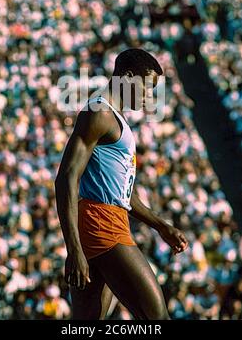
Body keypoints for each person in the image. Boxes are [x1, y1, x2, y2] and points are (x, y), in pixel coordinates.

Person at [55, 48, 189, 320]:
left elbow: (124, 194)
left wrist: (160, 225)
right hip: (102, 224)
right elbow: (66, 177)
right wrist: (74, 248)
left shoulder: (114, 117)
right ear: (128, 77)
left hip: (106, 220)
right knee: (158, 318)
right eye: (147, 87)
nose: (149, 97)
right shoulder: (99, 112)